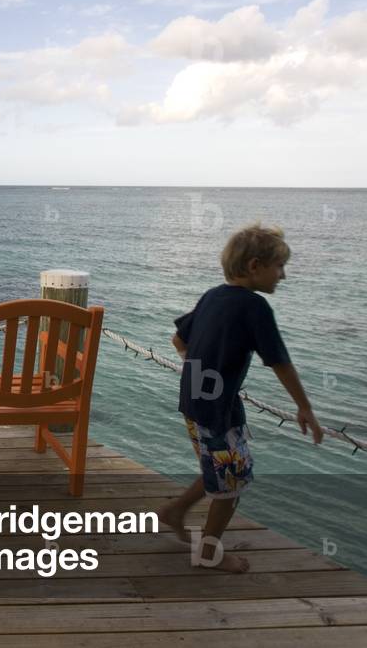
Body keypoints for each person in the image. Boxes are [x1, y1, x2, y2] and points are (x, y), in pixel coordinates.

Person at [156, 222, 323, 573]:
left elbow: (178, 340)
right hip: (218, 411)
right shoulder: (255, 307)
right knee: (233, 484)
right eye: (279, 267)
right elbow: (279, 361)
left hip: (193, 402)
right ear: (255, 266)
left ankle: (175, 511)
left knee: (219, 469)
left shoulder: (212, 295)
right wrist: (304, 407)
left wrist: (205, 369)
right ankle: (208, 553)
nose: (283, 276)